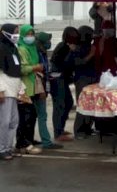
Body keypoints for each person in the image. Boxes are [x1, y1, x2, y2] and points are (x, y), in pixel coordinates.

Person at [15, 25, 44, 155]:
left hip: (33, 87)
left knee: (32, 116)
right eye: (28, 34)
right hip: (24, 88)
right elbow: (21, 69)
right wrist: (35, 68)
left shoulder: (32, 48)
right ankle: (23, 143)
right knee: (25, 117)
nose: (30, 37)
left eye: (32, 34)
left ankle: (29, 140)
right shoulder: (22, 49)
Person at [50, 27, 79, 143]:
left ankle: (60, 129)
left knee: (68, 103)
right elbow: (64, 64)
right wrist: (71, 52)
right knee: (60, 105)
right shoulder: (62, 47)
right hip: (57, 80)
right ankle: (58, 132)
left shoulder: (66, 46)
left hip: (63, 80)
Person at [0, 24, 23, 160]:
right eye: (15, 32)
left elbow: (16, 70)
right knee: (4, 121)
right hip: (5, 89)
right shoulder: (1, 48)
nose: (17, 35)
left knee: (14, 121)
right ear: (6, 33)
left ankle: (8, 147)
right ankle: (2, 148)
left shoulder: (13, 48)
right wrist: (1, 90)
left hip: (13, 89)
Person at [71, 26, 97, 138]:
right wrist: (91, 54)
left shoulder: (89, 46)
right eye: (90, 35)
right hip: (82, 79)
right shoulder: (77, 48)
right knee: (82, 104)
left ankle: (87, 127)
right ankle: (79, 131)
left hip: (91, 77)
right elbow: (78, 62)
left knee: (91, 105)